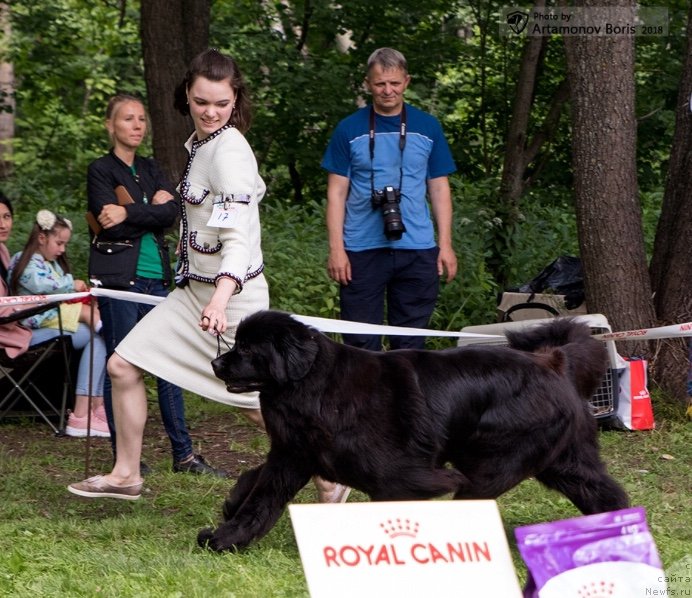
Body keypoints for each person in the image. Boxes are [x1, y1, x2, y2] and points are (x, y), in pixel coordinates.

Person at [68, 49, 348, 503]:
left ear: (235, 99)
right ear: (187, 97)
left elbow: (237, 238)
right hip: (191, 294)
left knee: (259, 405)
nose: (211, 112)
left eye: (221, 103)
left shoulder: (229, 153)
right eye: (201, 102)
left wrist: (220, 299)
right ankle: (125, 474)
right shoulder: (199, 146)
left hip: (231, 301)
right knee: (122, 365)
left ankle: (331, 475)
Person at [86, 93, 224, 477]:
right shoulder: (101, 169)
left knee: (168, 365)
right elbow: (105, 220)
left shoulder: (150, 167)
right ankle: (125, 460)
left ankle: (184, 455)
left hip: (158, 278)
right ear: (111, 125)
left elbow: (172, 213)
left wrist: (130, 210)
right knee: (121, 364)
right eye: (128, 119)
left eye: (141, 119)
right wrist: (152, 209)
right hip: (118, 278)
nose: (136, 125)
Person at [322, 47, 458, 350]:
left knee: (410, 344)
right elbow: (336, 192)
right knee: (359, 344)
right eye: (380, 83)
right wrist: (336, 249)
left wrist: (445, 244)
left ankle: (406, 398)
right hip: (360, 248)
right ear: (368, 84)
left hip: (417, 247)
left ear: (406, 82)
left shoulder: (427, 127)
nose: (388, 91)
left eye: (395, 83)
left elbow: (439, 188)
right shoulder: (349, 129)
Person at [8, 209, 109, 437]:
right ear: (42, 238)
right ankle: (87, 411)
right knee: (93, 321)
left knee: (98, 337)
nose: (62, 249)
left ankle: (90, 408)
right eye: (59, 243)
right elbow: (42, 284)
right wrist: (70, 283)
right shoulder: (23, 261)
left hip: (50, 321)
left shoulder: (48, 262)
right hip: (32, 327)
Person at [0, 192, 32, 359]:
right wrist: (32, 306)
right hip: (6, 333)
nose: (3, 224)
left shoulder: (2, 251)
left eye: (7, 217)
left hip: (14, 324)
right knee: (87, 334)